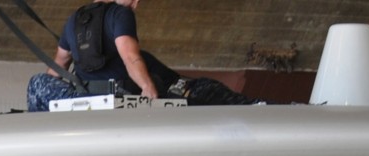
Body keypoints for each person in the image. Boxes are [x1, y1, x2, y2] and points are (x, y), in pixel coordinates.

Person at [25, 0, 250, 111]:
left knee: (38, 82)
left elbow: (58, 67)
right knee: (205, 88)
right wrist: (149, 91)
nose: (136, 4)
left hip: (82, 98)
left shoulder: (74, 19)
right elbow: (130, 56)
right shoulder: (119, 14)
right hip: (116, 99)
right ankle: (258, 106)